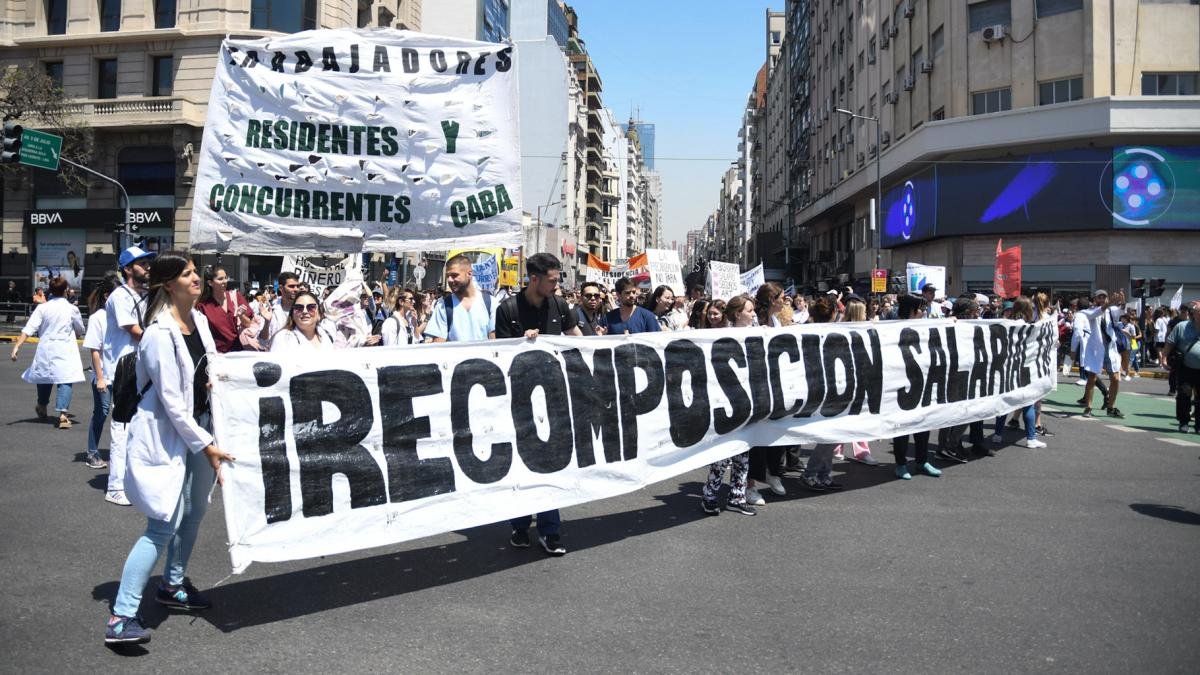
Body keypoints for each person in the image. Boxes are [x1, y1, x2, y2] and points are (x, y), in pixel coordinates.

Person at [104, 252, 234, 647]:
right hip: (169, 435)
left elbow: (211, 368)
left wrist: (215, 382)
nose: (197, 278)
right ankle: (121, 615)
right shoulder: (159, 333)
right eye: (187, 273)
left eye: (196, 272)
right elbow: (172, 402)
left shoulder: (199, 321)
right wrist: (207, 445)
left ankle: (172, 585)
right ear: (167, 284)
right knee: (163, 523)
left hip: (201, 428)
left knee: (195, 512)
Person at [494, 253, 581, 556]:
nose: (557, 286)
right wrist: (522, 342)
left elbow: (575, 336)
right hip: (519, 401)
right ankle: (519, 526)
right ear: (534, 279)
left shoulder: (559, 305)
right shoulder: (508, 309)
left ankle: (550, 531)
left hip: (554, 399)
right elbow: (500, 353)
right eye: (553, 280)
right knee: (523, 465)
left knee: (551, 464)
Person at [101, 245, 156, 506]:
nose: (147, 266)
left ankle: (133, 481)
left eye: (147, 262)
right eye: (142, 263)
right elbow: (134, 330)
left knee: (142, 427)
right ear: (127, 269)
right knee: (122, 429)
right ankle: (114, 486)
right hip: (124, 369)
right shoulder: (120, 296)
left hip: (142, 367)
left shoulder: (146, 294)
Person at [699, 299, 755, 517]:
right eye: (749, 310)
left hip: (747, 404)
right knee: (723, 454)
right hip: (726, 403)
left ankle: (737, 496)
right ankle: (709, 495)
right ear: (738, 314)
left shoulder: (758, 335)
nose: (753, 314)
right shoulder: (722, 337)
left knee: (743, 454)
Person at [10, 276, 85, 430]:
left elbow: (29, 328)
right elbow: (80, 329)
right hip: (65, 349)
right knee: (65, 380)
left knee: (45, 377)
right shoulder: (72, 309)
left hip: (47, 349)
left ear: (50, 291)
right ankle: (63, 415)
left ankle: (42, 405)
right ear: (65, 291)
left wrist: (17, 346)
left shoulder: (42, 308)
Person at [892, 294, 942, 480]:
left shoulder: (924, 327)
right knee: (902, 428)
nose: (923, 312)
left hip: (922, 383)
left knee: (923, 424)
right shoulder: (892, 329)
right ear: (911, 311)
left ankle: (922, 461)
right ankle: (901, 464)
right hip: (901, 385)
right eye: (920, 309)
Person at [800, 295, 847, 490]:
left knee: (833, 434)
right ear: (833, 313)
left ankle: (824, 473)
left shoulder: (810, 331)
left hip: (831, 386)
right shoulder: (829, 333)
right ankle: (811, 473)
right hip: (824, 388)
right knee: (829, 434)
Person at [81, 271, 123, 469]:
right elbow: (95, 350)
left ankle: (123, 453)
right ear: (107, 296)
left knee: (124, 416)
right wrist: (99, 378)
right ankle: (92, 453)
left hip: (122, 375)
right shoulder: (98, 317)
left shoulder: (124, 316)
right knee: (101, 413)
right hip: (104, 375)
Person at [425, 254, 496, 342]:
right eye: (447, 276)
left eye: (454, 275)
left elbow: (494, 341)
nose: (449, 280)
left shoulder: (491, 303)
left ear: (469, 274)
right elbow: (439, 342)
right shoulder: (443, 306)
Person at [1079, 289, 1123, 418]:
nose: (1102, 300)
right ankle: (1088, 407)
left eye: (1104, 297)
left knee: (1115, 378)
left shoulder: (1110, 311)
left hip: (1110, 349)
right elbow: (1098, 312)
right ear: (1094, 300)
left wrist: (1122, 301)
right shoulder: (1089, 311)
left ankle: (1111, 407)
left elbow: (1121, 311)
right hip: (1095, 349)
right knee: (1092, 378)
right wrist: (1108, 304)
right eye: (1099, 297)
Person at [196, 266, 254, 354]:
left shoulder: (236, 297)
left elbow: (248, 324)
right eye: (220, 279)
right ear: (210, 283)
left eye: (226, 278)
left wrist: (241, 316)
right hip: (219, 355)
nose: (225, 281)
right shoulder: (202, 306)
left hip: (241, 352)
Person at [1163, 301, 1200, 434]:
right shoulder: (1181, 327)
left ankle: (1199, 425)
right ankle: (1183, 422)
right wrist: (1164, 358)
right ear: (1193, 314)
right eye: (1199, 313)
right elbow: (1170, 343)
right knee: (1184, 395)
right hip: (1185, 367)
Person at [270, 291, 337, 352]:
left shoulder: (328, 333)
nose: (305, 311)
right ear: (292, 313)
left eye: (311, 307)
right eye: (299, 308)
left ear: (319, 313)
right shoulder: (283, 338)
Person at [263, 271, 302, 347]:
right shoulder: (271, 308)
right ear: (281, 288)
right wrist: (266, 323)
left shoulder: (306, 308)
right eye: (291, 286)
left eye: (297, 286)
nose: (296, 289)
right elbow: (262, 340)